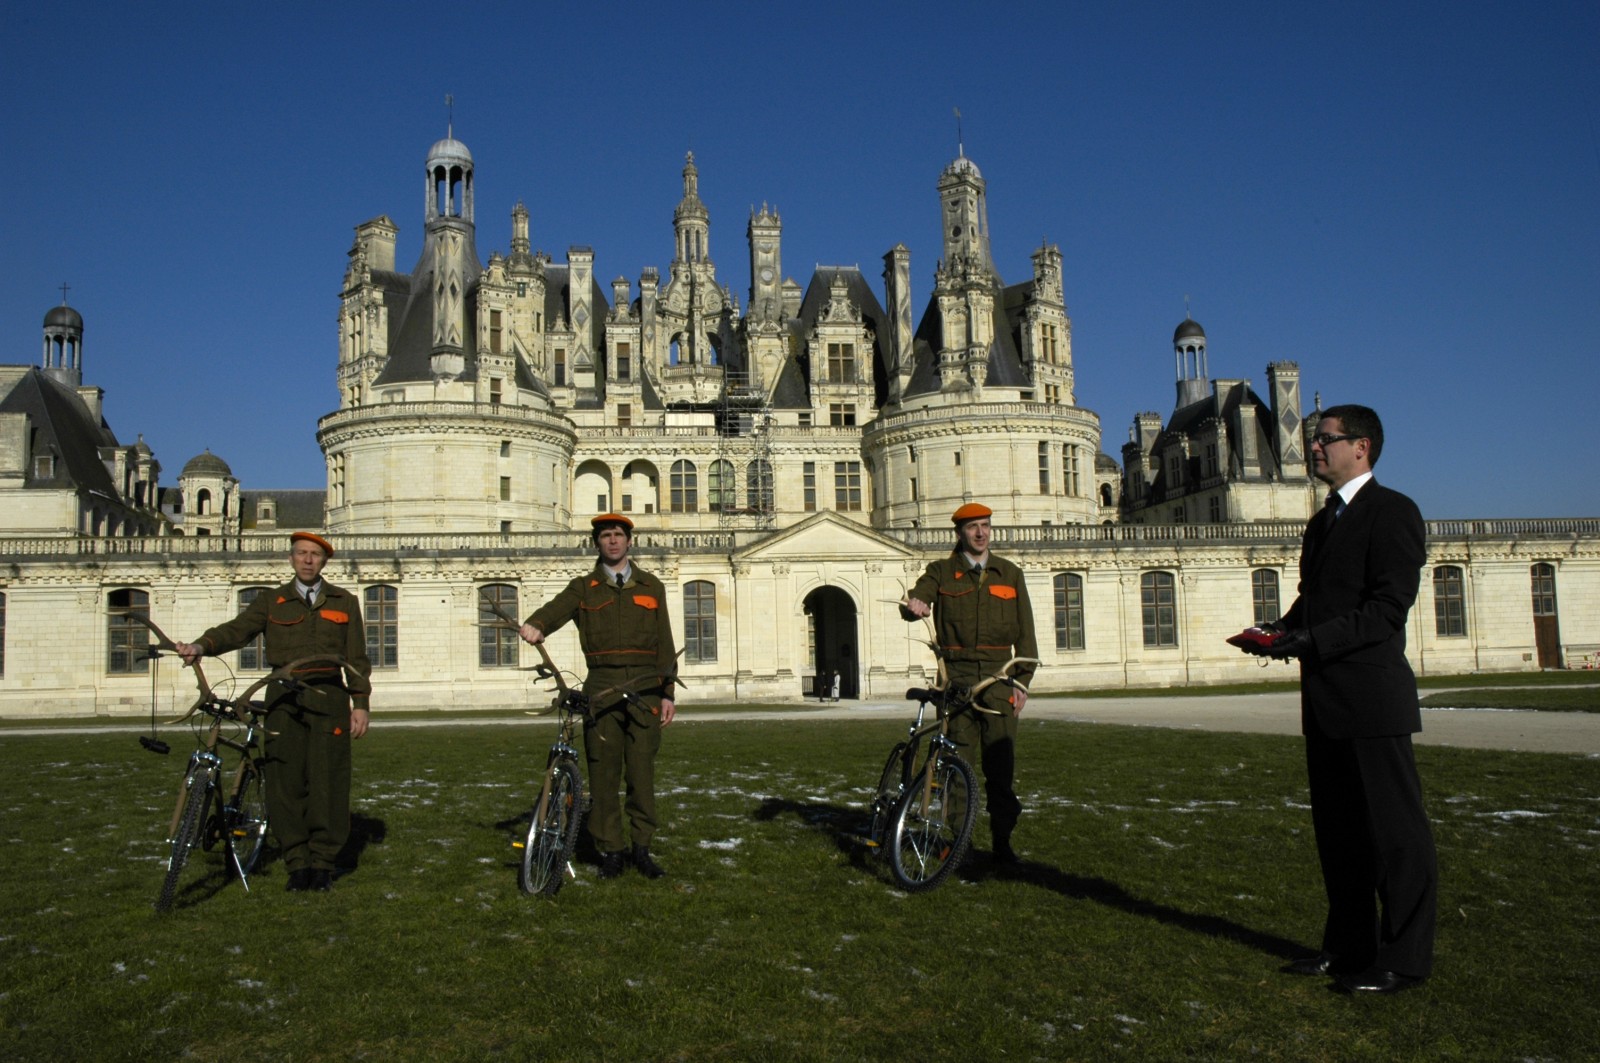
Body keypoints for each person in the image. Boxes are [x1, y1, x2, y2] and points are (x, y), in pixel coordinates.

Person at [1233, 404, 1437, 994]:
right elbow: (1316, 601)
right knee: (1341, 834)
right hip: (1325, 697)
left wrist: (1310, 640)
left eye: (1325, 439)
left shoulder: (1393, 513)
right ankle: (1349, 947)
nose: (1314, 448)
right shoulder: (1323, 523)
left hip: (1371, 697)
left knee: (1396, 836)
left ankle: (1404, 959)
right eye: (1316, 440)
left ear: (1362, 447)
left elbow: (1385, 611)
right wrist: (1276, 633)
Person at [175, 532, 372, 893]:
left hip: (328, 697)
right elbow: (237, 631)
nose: (308, 560)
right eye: (301, 554)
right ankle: (297, 862)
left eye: (315, 555)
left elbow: (357, 659)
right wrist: (202, 645)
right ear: (292, 558)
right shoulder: (272, 601)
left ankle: (323, 862)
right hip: (283, 699)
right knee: (285, 781)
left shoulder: (345, 602)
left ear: (324, 561)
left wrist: (360, 704)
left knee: (329, 780)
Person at [520, 514, 679, 880]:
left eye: (618, 535)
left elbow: (665, 643)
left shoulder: (652, 587)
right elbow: (554, 611)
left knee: (641, 773)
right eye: (606, 536)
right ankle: (611, 850)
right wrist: (536, 625)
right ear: (597, 543)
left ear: (629, 542)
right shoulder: (584, 588)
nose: (612, 541)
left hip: (645, 689)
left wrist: (667, 692)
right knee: (603, 773)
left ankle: (642, 847)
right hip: (602, 689)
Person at [901, 502, 1038, 865]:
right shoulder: (942, 572)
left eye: (986, 526)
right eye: (973, 527)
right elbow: (918, 594)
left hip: (998, 680)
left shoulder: (1009, 573)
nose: (981, 533)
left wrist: (1021, 684)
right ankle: (956, 845)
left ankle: (1002, 843)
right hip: (958, 681)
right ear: (959, 533)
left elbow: (1026, 634)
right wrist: (915, 604)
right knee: (955, 769)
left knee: (1000, 768)